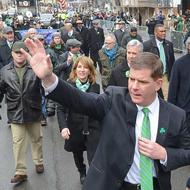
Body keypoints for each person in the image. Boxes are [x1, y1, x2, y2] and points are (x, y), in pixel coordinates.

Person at [22, 39, 190, 190]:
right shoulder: (114, 98)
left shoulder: (176, 116)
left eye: (143, 82)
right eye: (132, 79)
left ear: (158, 84)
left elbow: (187, 152)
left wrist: (165, 154)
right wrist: (49, 78)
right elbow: (79, 99)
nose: (134, 87)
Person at [0, 41, 44, 184]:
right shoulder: (4, 71)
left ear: (26, 54)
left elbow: (45, 88)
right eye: (16, 52)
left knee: (36, 139)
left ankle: (38, 161)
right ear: (12, 53)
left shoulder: (35, 68)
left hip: (33, 109)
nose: (19, 55)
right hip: (15, 111)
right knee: (17, 142)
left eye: (22, 52)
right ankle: (21, 171)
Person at [57, 56, 101, 184]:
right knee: (77, 154)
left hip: (93, 128)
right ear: (75, 70)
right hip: (74, 127)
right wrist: (63, 127)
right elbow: (60, 109)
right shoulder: (68, 86)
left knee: (94, 156)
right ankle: (82, 171)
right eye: (79, 67)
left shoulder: (95, 87)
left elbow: (99, 108)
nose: (82, 70)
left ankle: (93, 178)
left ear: (90, 70)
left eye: (85, 67)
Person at [143, 24, 175, 99]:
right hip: (152, 76)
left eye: (164, 31)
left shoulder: (169, 45)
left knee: (166, 98)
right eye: (161, 31)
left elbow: (172, 61)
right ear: (155, 33)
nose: (164, 33)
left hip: (165, 77)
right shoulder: (147, 45)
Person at [168, 37, 190, 129]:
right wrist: (171, 113)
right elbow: (173, 90)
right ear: (188, 46)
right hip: (185, 112)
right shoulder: (179, 64)